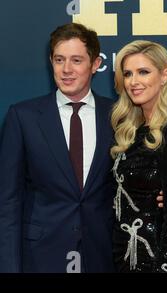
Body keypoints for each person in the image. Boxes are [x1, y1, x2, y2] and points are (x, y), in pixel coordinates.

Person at [0, 23, 115, 272]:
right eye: (59, 59)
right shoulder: (23, 117)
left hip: (102, 256)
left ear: (95, 64)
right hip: (41, 257)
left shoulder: (117, 117)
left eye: (76, 60)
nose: (66, 70)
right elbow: (8, 201)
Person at [110, 40, 167, 273]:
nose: (133, 82)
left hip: (154, 256)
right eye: (127, 74)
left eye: (143, 72)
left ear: (164, 75)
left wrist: (165, 264)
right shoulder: (128, 130)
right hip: (120, 251)